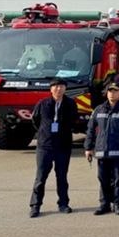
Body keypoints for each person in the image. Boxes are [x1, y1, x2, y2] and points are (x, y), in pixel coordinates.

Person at [85, 82, 119, 216]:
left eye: (115, 91)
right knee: (102, 179)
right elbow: (90, 129)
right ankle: (104, 204)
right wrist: (88, 147)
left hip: (118, 150)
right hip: (102, 150)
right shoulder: (99, 109)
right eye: (110, 91)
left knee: (117, 179)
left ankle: (117, 203)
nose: (112, 94)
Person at [29, 78, 79, 218]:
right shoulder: (43, 103)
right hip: (45, 146)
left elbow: (74, 120)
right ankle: (35, 205)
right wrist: (44, 132)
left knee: (62, 176)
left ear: (65, 88)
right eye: (55, 86)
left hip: (63, 145)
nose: (58, 89)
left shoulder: (70, 103)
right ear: (51, 89)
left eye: (61, 86)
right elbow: (35, 120)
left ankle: (63, 203)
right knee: (40, 177)